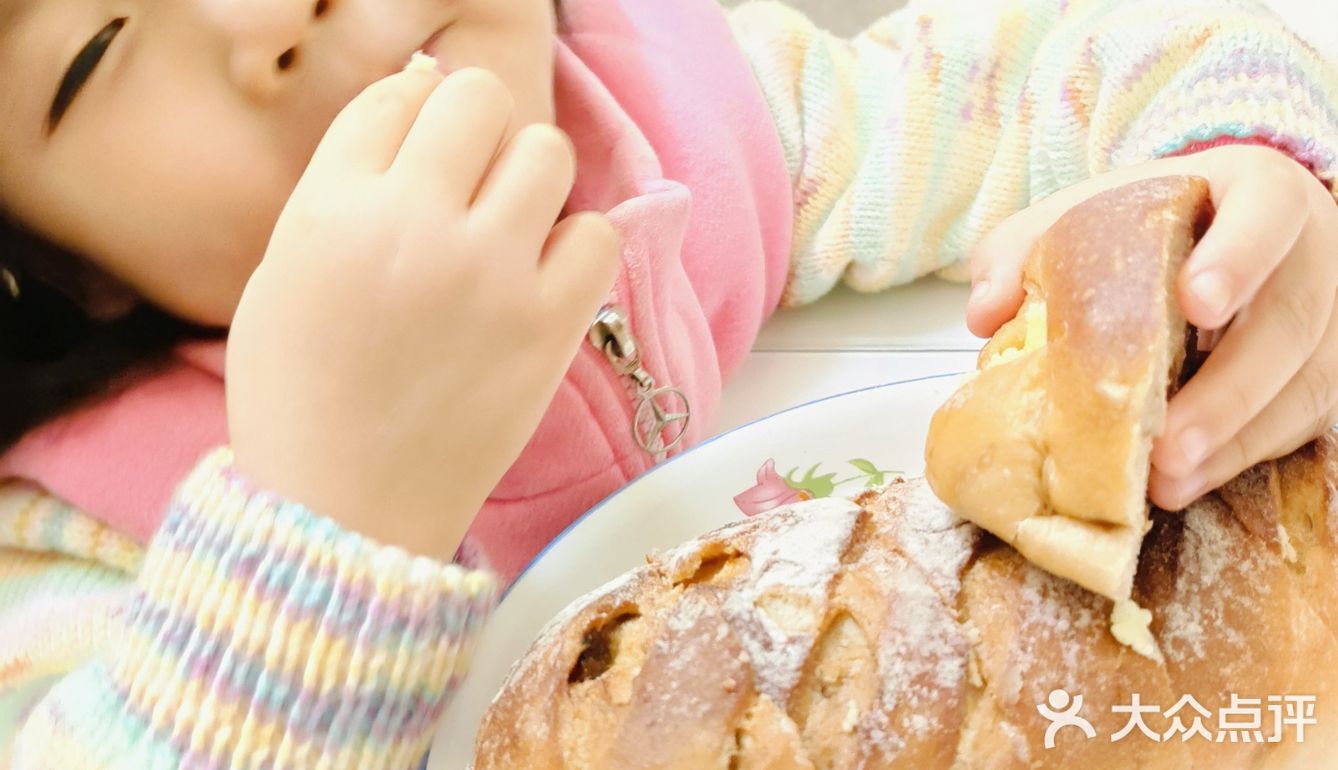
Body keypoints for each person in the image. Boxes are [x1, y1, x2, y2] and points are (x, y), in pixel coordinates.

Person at [1, 0, 1335, 765]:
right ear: (57, 265)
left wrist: (1251, 183)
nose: (270, 13)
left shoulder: (695, 113)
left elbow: (1110, 63)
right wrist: (320, 520)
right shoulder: (81, 532)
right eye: (93, 49)